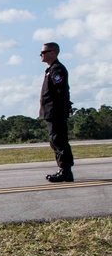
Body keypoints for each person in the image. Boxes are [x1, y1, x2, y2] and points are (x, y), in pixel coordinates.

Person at [39, 42, 73, 182]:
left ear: (52, 53)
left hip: (56, 111)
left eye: (44, 52)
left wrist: (63, 107)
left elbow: (61, 90)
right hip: (52, 111)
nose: (41, 55)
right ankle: (64, 169)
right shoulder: (51, 69)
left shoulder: (57, 69)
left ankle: (65, 171)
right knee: (55, 140)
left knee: (58, 140)